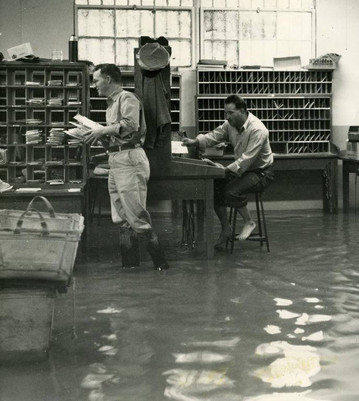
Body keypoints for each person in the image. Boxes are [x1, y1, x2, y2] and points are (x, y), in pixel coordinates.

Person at [85, 63, 168, 270]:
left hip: (129, 159)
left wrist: (103, 131)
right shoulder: (111, 104)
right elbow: (118, 134)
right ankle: (130, 264)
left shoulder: (127, 98)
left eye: (96, 80)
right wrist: (99, 136)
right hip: (117, 159)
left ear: (108, 79)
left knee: (135, 214)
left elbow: (131, 125)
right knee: (122, 215)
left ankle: (161, 263)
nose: (94, 84)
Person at [182, 95, 274, 247]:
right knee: (215, 187)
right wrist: (196, 142)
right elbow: (214, 136)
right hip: (245, 170)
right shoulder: (230, 124)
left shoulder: (258, 129)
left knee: (231, 191)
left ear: (243, 111)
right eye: (226, 113)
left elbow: (247, 159)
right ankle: (226, 228)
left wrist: (224, 170)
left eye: (230, 113)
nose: (227, 117)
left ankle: (249, 222)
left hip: (261, 173)